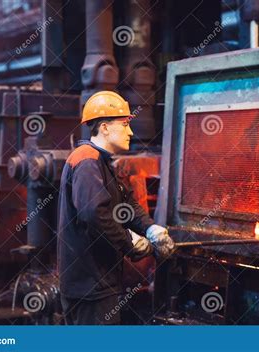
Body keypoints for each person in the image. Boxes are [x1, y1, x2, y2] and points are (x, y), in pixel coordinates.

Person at [57, 91, 175, 325]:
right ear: (104, 128)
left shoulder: (100, 161)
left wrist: (151, 230)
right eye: (124, 125)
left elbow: (126, 203)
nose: (130, 131)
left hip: (97, 282)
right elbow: (94, 215)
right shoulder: (87, 161)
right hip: (90, 286)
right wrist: (129, 244)